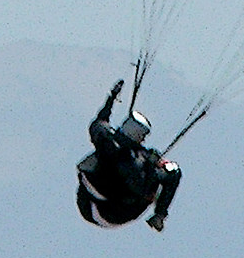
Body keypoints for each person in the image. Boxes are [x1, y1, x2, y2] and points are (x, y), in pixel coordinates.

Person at [76, 80, 181, 232]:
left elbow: (100, 120)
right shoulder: (131, 163)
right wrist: (153, 167)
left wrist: (111, 98)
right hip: (109, 215)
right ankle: (159, 216)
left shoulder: (105, 136)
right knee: (172, 173)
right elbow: (141, 186)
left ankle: (158, 215)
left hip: (85, 199)